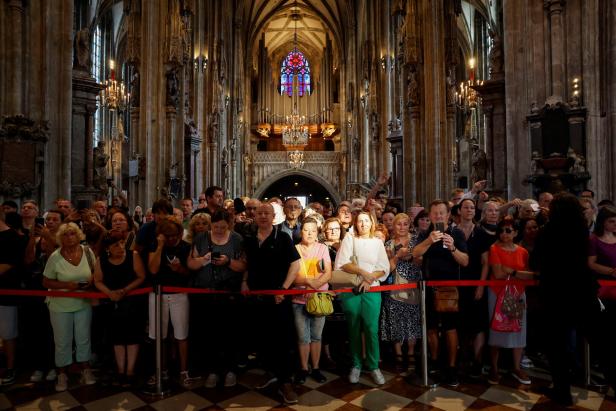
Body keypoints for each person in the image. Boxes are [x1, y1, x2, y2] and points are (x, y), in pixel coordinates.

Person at [531, 193, 616, 406]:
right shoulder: (581, 232)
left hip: (556, 296)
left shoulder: (546, 233)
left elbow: (535, 263)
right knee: (602, 345)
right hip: (582, 293)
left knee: (557, 347)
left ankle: (563, 392)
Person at [241, 203, 300, 404]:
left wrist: (284, 288)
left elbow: (295, 264)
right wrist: (244, 282)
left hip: (278, 298)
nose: (263, 216)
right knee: (263, 339)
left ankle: (286, 383)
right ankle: (270, 372)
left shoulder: (283, 238)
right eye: (260, 213)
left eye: (267, 213)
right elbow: (248, 264)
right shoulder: (249, 241)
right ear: (255, 216)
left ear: (274, 216)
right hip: (258, 298)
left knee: (282, 340)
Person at [412, 200, 469, 387]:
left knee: (450, 329)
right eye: (434, 213)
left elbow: (465, 261)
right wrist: (429, 240)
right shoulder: (426, 234)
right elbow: (415, 254)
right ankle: (435, 362)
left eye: (441, 213)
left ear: (448, 214)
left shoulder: (456, 233)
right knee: (431, 329)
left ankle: (452, 368)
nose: (438, 216)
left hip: (449, 290)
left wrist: (452, 247)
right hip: (428, 288)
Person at [187, 209, 246, 388]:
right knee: (208, 333)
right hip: (205, 292)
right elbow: (190, 263)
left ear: (228, 225)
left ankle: (230, 370)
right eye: (215, 227)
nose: (219, 230)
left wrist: (228, 262)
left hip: (229, 293)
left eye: (222, 227)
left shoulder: (236, 239)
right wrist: (204, 260)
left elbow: (243, 265)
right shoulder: (201, 238)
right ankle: (212, 370)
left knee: (229, 333)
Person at [334, 211, 390, 385]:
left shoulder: (377, 242)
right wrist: (363, 273)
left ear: (372, 223)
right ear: (356, 224)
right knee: (353, 327)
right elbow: (343, 263)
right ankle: (356, 365)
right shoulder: (350, 239)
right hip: (351, 290)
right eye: (360, 221)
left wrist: (370, 279)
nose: (363, 224)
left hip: (372, 290)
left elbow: (384, 267)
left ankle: (373, 366)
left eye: (367, 221)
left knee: (371, 329)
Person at [42, 223, 97, 391]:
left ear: (78, 235)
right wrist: (68, 285)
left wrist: (90, 282)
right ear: (60, 238)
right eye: (65, 235)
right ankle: (62, 374)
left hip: (83, 303)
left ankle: (85, 369)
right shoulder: (55, 256)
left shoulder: (87, 252)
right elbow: (46, 281)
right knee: (62, 341)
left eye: (72, 233)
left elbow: (95, 273)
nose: (69, 237)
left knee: (83, 338)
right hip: (60, 304)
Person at [147, 217, 197, 387]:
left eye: (174, 235)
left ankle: (183, 371)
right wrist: (160, 246)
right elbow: (153, 269)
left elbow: (189, 274)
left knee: (181, 334)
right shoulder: (155, 246)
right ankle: (160, 370)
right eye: (167, 236)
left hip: (179, 295)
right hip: (157, 295)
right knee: (158, 335)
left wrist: (179, 269)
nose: (172, 239)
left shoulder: (185, 247)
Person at [486, 217, 534, 385]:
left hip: (518, 294)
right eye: (501, 230)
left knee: (518, 330)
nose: (504, 234)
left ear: (515, 232)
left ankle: (516, 367)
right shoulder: (494, 248)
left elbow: (529, 276)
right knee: (497, 327)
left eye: (508, 230)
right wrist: (516, 274)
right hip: (498, 293)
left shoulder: (523, 252)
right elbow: (498, 274)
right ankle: (494, 367)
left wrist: (511, 271)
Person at [93, 233, 145, 387]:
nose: (121, 247)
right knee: (117, 338)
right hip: (112, 303)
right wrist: (110, 293)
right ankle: (121, 371)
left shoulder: (133, 256)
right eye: (116, 245)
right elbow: (97, 280)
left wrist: (125, 290)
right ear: (108, 248)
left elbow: (141, 276)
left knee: (132, 337)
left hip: (132, 302)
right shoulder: (101, 260)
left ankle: (130, 371)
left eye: (122, 243)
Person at [22, 209, 63, 383]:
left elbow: (59, 255)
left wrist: (48, 236)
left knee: (54, 331)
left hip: (56, 289)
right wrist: (32, 238)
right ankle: (39, 366)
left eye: (55, 219)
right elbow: (28, 260)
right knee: (38, 329)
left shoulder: (63, 239)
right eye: (49, 219)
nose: (51, 222)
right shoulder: (38, 238)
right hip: (37, 288)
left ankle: (54, 366)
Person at [291, 218, 332, 384]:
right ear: (301, 232)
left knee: (316, 336)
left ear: (317, 233)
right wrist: (307, 284)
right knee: (302, 337)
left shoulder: (322, 249)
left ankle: (315, 368)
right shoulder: (294, 249)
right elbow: (293, 275)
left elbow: (327, 273)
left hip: (319, 298)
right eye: (306, 230)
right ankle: (303, 368)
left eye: (313, 230)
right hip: (298, 300)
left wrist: (312, 288)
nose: (309, 233)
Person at [381, 213, 421, 371]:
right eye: (399, 224)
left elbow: (421, 262)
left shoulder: (416, 241)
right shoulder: (388, 244)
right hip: (394, 287)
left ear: (409, 225)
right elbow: (387, 269)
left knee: (412, 321)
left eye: (405, 224)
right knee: (395, 321)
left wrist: (409, 257)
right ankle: (398, 354)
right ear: (394, 226)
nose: (402, 227)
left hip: (412, 286)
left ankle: (410, 353)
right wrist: (397, 257)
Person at [0, 209, 24, 386]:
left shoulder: (12, 237)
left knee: (8, 333)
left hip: (7, 291)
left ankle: (10, 367)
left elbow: (8, 264)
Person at [588, 205, 616, 316]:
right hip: (602, 286)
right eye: (611, 221)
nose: (615, 224)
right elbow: (591, 264)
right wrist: (612, 271)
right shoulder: (593, 239)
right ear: (603, 221)